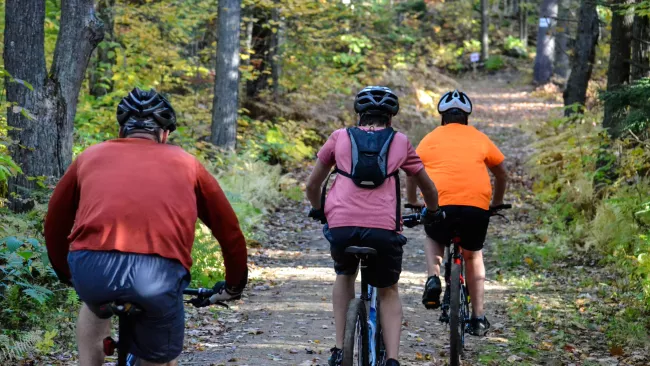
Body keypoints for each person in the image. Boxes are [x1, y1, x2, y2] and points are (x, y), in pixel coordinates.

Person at [44, 88, 248, 366]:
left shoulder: (88, 157)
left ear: (121, 130)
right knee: (159, 358)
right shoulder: (188, 164)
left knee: (95, 304)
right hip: (156, 277)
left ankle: (88, 361)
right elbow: (229, 232)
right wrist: (235, 284)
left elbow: (54, 222)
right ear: (164, 134)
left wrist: (66, 273)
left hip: (92, 271)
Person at [305, 86, 443, 366]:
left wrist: (320, 210)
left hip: (342, 228)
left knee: (345, 275)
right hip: (383, 231)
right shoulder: (400, 141)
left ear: (359, 115)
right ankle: (392, 358)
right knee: (388, 288)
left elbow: (312, 185)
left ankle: (339, 349)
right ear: (390, 118)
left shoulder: (338, 137)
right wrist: (433, 212)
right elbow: (427, 186)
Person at [406, 90, 508, 336]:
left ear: (442, 117)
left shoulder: (429, 139)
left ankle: (433, 277)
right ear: (466, 117)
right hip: (476, 207)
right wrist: (496, 202)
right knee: (473, 256)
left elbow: (412, 171)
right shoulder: (480, 138)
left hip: (439, 204)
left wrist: (412, 202)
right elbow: (502, 173)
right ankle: (479, 317)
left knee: (433, 235)